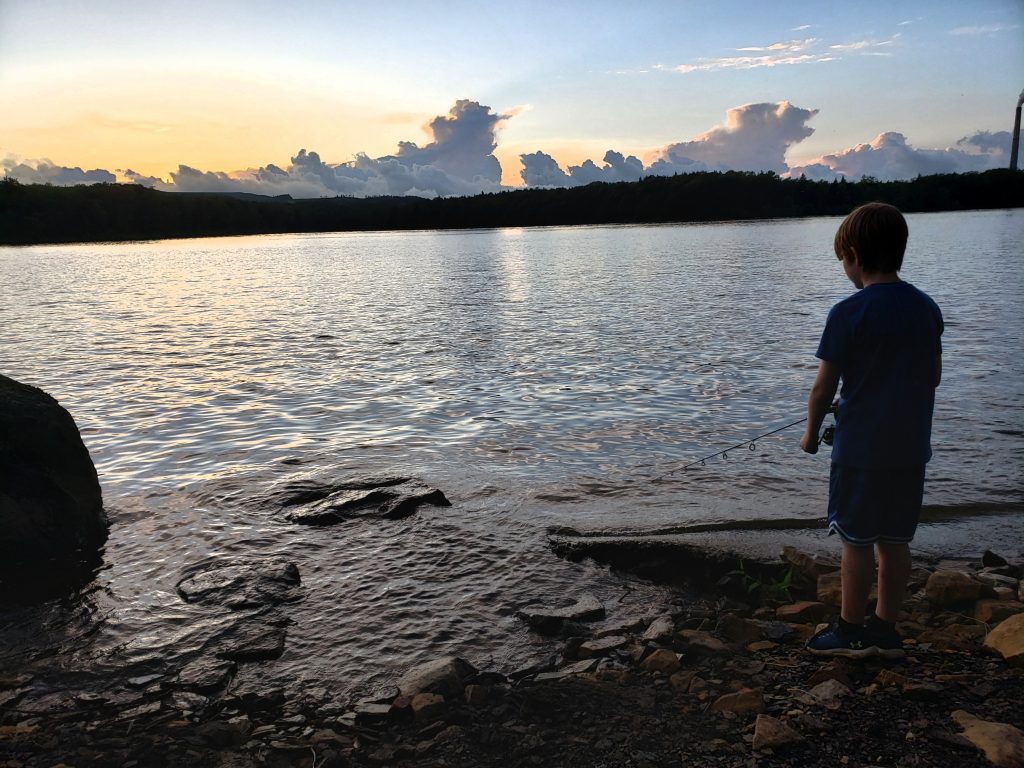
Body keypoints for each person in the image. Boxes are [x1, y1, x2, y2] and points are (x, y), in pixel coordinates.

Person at [799, 202, 943, 659]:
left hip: (860, 452)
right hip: (910, 449)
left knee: (856, 541)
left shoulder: (847, 313)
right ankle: (885, 627)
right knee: (896, 541)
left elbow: (822, 389)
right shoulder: (926, 308)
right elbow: (933, 377)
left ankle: (850, 630)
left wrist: (810, 434)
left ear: (855, 257)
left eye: (843, 259)